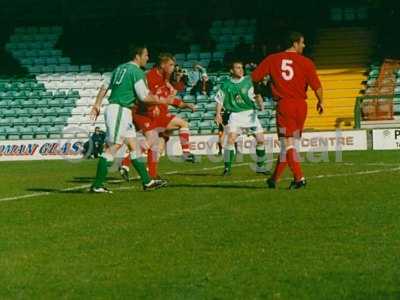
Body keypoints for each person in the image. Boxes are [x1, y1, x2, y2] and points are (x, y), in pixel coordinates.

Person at [89, 46, 171, 193]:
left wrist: (97, 104)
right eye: (146, 55)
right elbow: (144, 97)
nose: (147, 58)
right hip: (120, 109)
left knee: (134, 146)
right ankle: (97, 185)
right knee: (113, 147)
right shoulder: (137, 72)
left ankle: (147, 182)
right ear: (137, 56)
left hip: (121, 111)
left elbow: (104, 87)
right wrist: (162, 101)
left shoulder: (119, 68)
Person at [252, 31, 324, 189]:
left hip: (286, 105)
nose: (304, 45)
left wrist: (259, 91)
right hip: (301, 107)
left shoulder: (272, 59)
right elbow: (317, 86)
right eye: (302, 42)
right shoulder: (306, 62)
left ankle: (299, 179)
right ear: (295, 43)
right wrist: (321, 101)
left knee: (287, 143)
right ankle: (274, 179)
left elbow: (255, 77)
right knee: (290, 145)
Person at [119, 53, 196, 181]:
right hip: (146, 114)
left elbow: (171, 99)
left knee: (158, 145)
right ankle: (186, 153)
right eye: (171, 65)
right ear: (162, 65)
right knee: (181, 125)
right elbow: (142, 95)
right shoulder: (150, 77)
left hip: (157, 114)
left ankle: (150, 172)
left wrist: (186, 104)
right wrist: (152, 105)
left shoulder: (164, 78)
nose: (173, 68)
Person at [215, 61, 267, 176]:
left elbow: (257, 94)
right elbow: (219, 100)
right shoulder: (225, 84)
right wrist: (218, 114)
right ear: (231, 71)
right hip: (235, 115)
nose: (241, 70)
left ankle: (260, 167)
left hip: (250, 114)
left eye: (241, 67)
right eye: (237, 68)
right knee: (230, 140)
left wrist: (260, 103)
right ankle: (227, 168)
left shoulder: (249, 81)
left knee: (261, 140)